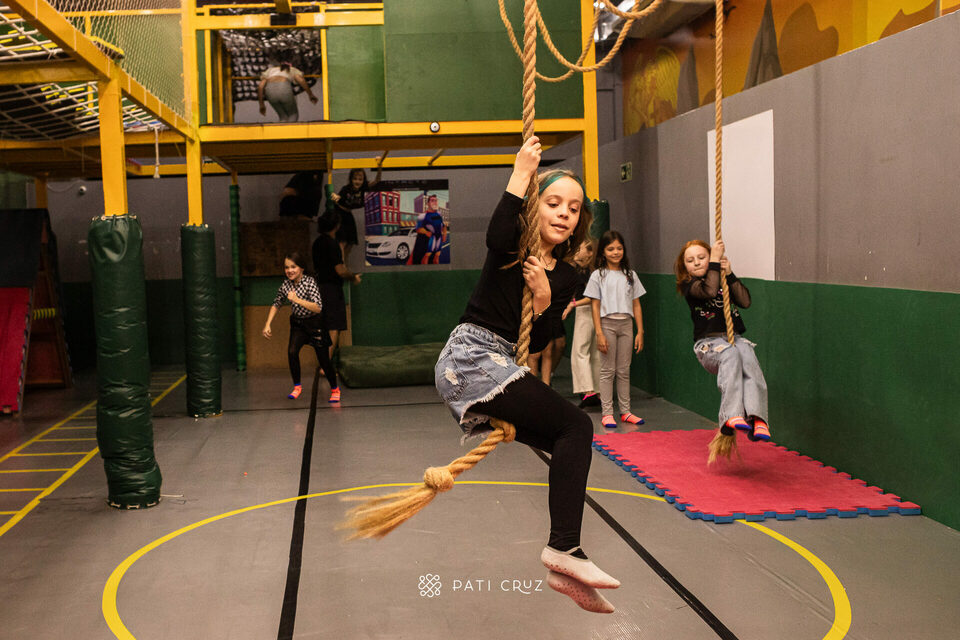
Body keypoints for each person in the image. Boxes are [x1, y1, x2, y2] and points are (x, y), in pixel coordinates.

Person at [434, 137, 619, 614]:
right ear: (536, 209)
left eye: (574, 209)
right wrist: (521, 173)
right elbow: (497, 234)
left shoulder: (568, 277)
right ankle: (563, 549)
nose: (564, 214)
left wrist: (539, 302)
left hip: (501, 361)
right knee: (576, 424)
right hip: (471, 357)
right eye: (554, 204)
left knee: (571, 434)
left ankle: (564, 558)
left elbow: (539, 341)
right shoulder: (512, 247)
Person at [675, 239, 770, 442]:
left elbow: (745, 301)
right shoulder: (689, 285)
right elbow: (709, 290)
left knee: (747, 354)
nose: (697, 262)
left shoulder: (721, 279)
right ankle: (730, 416)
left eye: (702, 258)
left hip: (733, 338)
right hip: (708, 345)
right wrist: (715, 261)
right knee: (731, 353)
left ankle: (757, 417)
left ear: (710, 259)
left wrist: (730, 273)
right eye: (691, 260)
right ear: (685, 267)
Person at [583, 230, 646, 430]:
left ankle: (626, 412)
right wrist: (599, 332)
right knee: (607, 370)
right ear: (603, 252)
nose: (616, 252)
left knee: (624, 370)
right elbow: (594, 305)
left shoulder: (630, 275)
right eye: (611, 249)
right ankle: (607, 413)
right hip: (607, 324)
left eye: (619, 248)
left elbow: (636, 304)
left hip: (626, 324)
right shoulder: (597, 275)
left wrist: (640, 331)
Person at [262, 252, 340, 403]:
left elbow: (318, 307)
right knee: (292, 352)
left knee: (324, 360)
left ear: (301, 268)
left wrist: (296, 299)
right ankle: (297, 386)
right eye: (286, 267)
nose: (289, 270)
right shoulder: (286, 285)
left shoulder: (310, 282)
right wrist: (267, 323)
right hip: (298, 324)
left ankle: (335, 389)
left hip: (315, 323)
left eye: (293, 267)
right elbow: (277, 303)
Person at [312, 213, 362, 358]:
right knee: (334, 326)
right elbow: (340, 270)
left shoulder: (317, 243)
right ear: (337, 226)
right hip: (331, 289)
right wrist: (353, 277)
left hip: (319, 286)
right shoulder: (332, 244)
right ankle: (325, 364)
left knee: (324, 325)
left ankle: (323, 360)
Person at [562, 239, 602, 408]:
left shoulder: (592, 273)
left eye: (580, 249)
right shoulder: (582, 270)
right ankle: (597, 391)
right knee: (593, 352)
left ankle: (588, 391)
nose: (577, 253)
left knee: (581, 351)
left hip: (588, 311)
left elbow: (593, 296)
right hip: (596, 311)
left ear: (590, 252)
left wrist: (573, 304)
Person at [330, 167, 381, 263]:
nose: (357, 182)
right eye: (355, 179)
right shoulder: (346, 189)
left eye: (360, 179)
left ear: (363, 180)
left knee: (351, 242)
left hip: (348, 214)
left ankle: (344, 264)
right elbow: (338, 198)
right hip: (339, 213)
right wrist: (335, 197)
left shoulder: (364, 188)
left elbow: (377, 180)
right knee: (342, 242)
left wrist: (379, 167)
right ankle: (341, 265)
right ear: (351, 179)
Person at [409, 193, 448, 265]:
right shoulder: (422, 216)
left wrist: (445, 234)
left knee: (436, 258)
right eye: (432, 200)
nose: (435, 202)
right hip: (428, 240)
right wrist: (426, 232)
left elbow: (443, 225)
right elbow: (418, 229)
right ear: (428, 203)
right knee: (426, 258)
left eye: (436, 200)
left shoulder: (439, 214)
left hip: (438, 239)